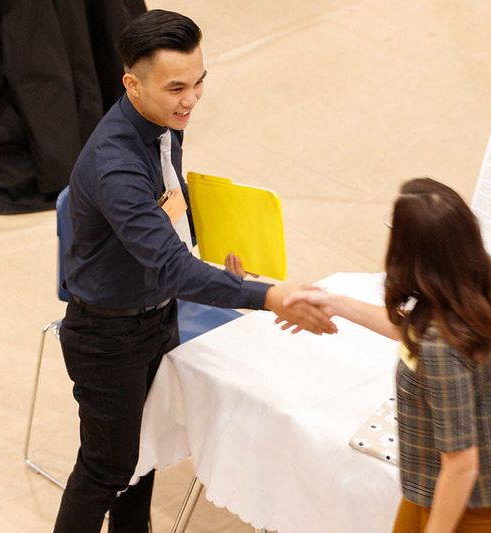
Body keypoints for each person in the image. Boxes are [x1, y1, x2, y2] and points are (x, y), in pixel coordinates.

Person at [54, 10, 336, 533]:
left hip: (155, 314)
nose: (191, 99)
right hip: (108, 334)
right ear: (131, 84)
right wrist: (268, 295)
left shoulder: (164, 124)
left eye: (200, 81)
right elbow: (172, 267)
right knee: (107, 467)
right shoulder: (115, 163)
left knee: (144, 455)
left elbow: (169, 221)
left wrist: (216, 252)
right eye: (176, 87)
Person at [285, 178, 491, 533]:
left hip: (464, 502)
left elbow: (461, 466)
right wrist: (335, 303)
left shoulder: (442, 348)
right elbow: (414, 329)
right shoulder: (475, 285)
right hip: (439, 484)